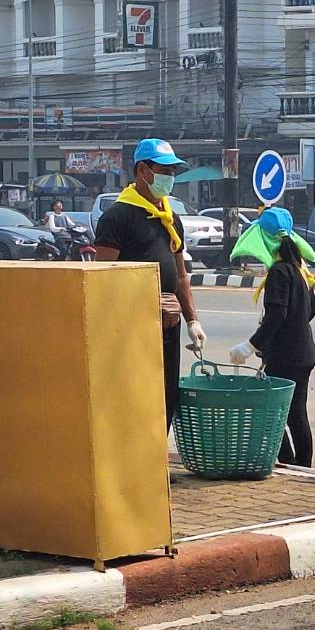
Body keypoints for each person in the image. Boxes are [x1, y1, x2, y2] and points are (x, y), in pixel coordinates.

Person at [92, 139, 207, 429]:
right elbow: (102, 280)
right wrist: (148, 302)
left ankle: (158, 456)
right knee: (136, 400)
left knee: (166, 398)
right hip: (132, 329)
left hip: (168, 325)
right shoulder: (117, 217)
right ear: (142, 170)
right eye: (163, 171)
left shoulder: (170, 218)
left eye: (172, 172)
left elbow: (180, 275)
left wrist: (192, 320)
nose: (169, 178)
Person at [228, 208, 315, 467]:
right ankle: (302, 467)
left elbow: (277, 315)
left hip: (285, 357)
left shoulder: (279, 272)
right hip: (303, 354)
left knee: (270, 414)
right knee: (296, 414)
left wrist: (251, 346)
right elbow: (311, 309)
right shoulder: (298, 268)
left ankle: (290, 463)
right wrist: (295, 326)